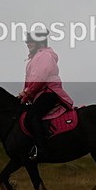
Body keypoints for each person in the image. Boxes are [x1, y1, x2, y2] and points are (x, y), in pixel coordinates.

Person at [17, 29, 73, 161]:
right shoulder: (36, 57)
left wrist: (27, 93)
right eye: (27, 41)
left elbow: (40, 78)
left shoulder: (44, 56)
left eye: (30, 41)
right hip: (40, 92)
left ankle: (41, 150)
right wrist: (24, 95)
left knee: (32, 117)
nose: (27, 43)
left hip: (49, 92)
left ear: (39, 42)